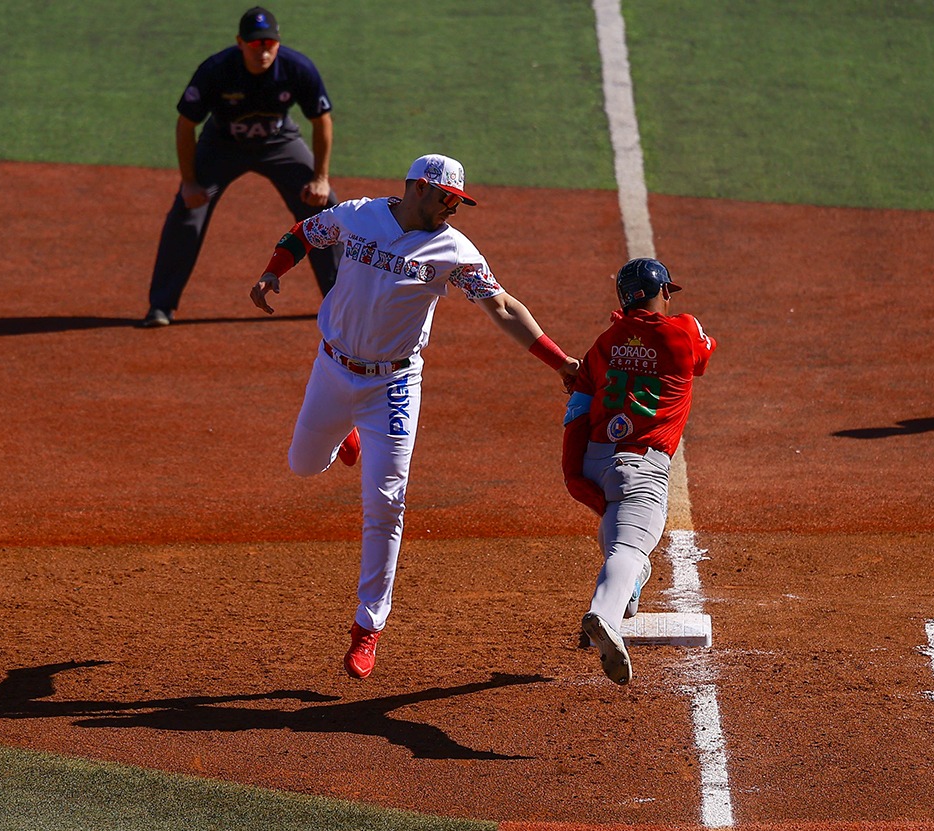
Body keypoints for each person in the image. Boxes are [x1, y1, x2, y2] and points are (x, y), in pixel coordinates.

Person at [250, 153, 579, 679]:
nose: (455, 208)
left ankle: (367, 627)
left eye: (459, 201)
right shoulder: (358, 215)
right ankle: (346, 440)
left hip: (394, 385)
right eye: (449, 197)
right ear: (418, 188)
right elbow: (306, 232)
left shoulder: (454, 249)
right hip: (333, 370)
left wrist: (559, 361)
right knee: (304, 465)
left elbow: (502, 306)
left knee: (386, 504)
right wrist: (271, 273)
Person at [561, 258, 716, 685]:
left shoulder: (605, 341)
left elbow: (577, 408)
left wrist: (572, 472)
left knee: (624, 544)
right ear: (662, 291)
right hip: (640, 465)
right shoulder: (681, 330)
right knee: (627, 550)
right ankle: (605, 616)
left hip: (596, 460)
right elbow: (702, 356)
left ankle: (627, 595)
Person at [142, 7, 339, 328]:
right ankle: (161, 306)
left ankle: (340, 300)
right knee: (186, 213)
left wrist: (320, 178)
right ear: (240, 43)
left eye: (269, 44)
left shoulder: (296, 68)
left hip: (279, 142)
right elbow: (185, 124)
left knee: (323, 207)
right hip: (221, 145)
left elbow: (322, 120)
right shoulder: (216, 70)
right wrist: (189, 182)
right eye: (254, 43)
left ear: (278, 43)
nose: (262, 50)